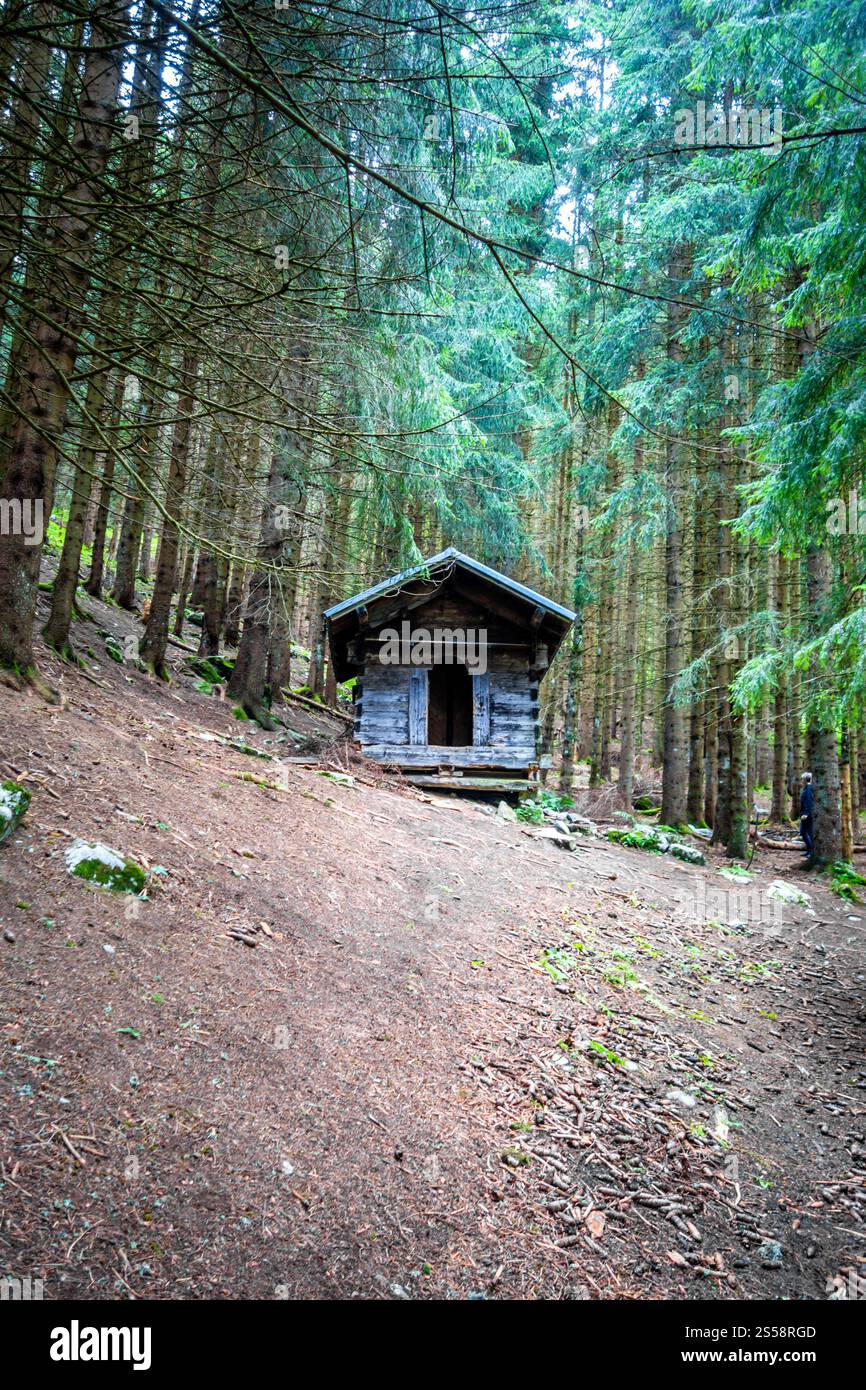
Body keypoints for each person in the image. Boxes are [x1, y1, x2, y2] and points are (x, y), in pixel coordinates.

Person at [799, 771, 815, 862]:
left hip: (807, 815)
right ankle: (809, 850)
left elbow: (809, 802)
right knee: (803, 832)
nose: (801, 781)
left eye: (802, 779)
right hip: (804, 814)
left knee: (808, 833)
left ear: (806, 780)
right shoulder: (806, 788)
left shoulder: (809, 789)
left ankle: (811, 851)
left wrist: (806, 813)